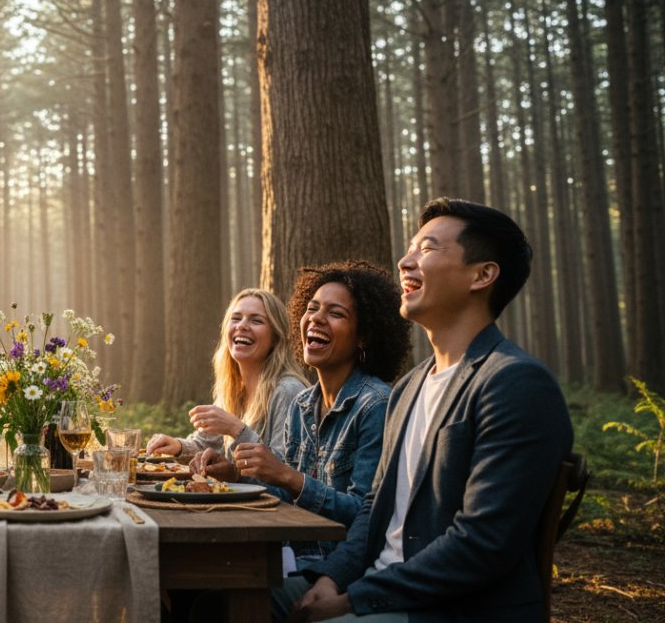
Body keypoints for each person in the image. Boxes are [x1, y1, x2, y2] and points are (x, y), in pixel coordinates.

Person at [281, 199, 573, 623]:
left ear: (482, 275)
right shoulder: (409, 388)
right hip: (369, 586)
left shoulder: (515, 383)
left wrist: (351, 600)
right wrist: (329, 579)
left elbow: (481, 544)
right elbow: (373, 510)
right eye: (411, 248)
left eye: (428, 249)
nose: (405, 261)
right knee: (221, 594)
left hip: (445, 609)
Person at [193, 262, 410, 566]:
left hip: (335, 566)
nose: (316, 318)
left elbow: (365, 515)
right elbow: (286, 496)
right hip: (292, 552)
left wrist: (288, 476)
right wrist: (234, 474)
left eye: (335, 314)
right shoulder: (305, 404)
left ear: (363, 336)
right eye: (312, 308)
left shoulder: (375, 405)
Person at [146, 288, 309, 461]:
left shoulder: (288, 391)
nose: (242, 326)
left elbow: (286, 469)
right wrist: (178, 446)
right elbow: (207, 445)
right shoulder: (233, 389)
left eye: (256, 321)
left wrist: (237, 430)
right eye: (236, 318)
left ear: (275, 337)